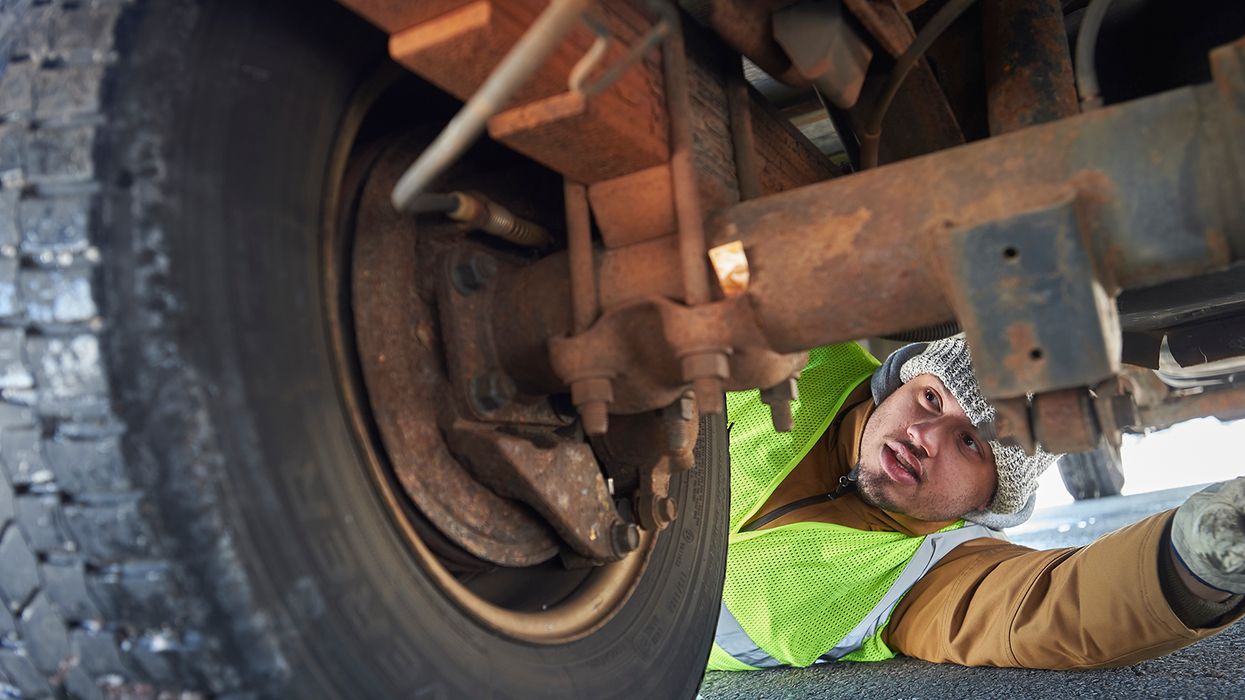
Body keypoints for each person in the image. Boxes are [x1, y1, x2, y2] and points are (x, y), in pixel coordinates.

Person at [708, 335, 1245, 671]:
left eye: (970, 442)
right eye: (931, 398)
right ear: (897, 382)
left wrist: (1188, 563)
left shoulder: (925, 571)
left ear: (988, 501)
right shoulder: (809, 355)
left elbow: (1046, 606)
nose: (924, 435)